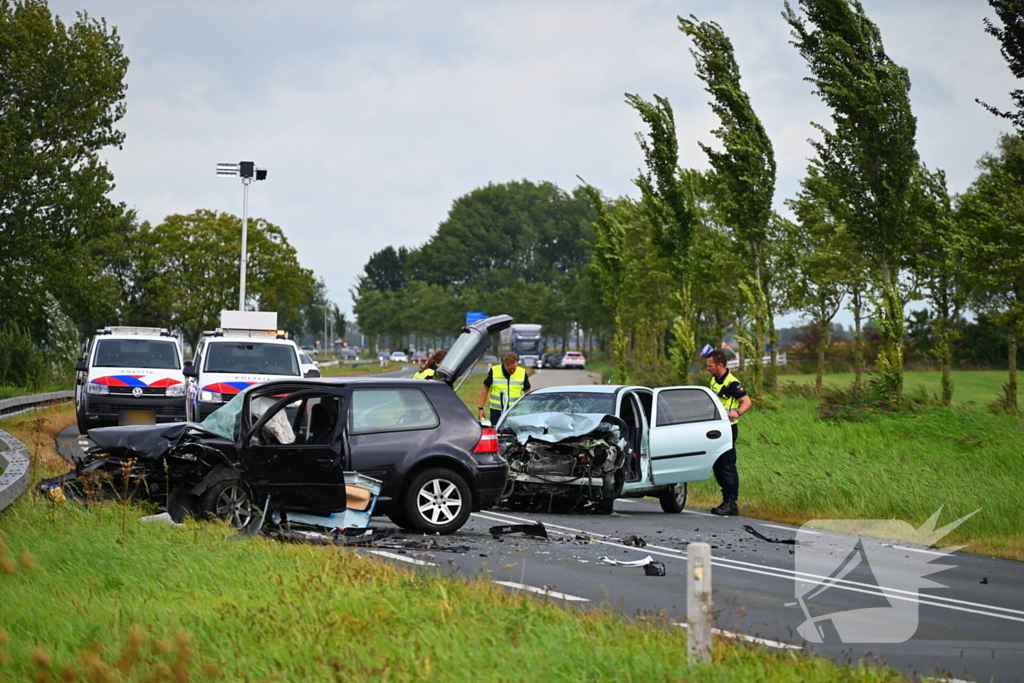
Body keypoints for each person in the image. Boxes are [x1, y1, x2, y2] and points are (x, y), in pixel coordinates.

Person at [706, 349, 752, 516]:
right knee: (717, 464)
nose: (708, 368)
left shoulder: (732, 382)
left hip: (728, 428)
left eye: (710, 366)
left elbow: (747, 402)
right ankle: (725, 500)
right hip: (716, 427)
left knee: (727, 464)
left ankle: (732, 503)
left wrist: (738, 412)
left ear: (720, 365)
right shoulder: (715, 379)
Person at [477, 352, 531, 425]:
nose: (512, 371)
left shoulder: (522, 372)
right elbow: (485, 389)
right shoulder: (494, 371)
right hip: (497, 411)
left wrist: (531, 408)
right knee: (497, 432)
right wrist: (481, 408)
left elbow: (527, 391)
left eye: (514, 368)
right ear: (505, 364)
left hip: (514, 411)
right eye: (510, 369)